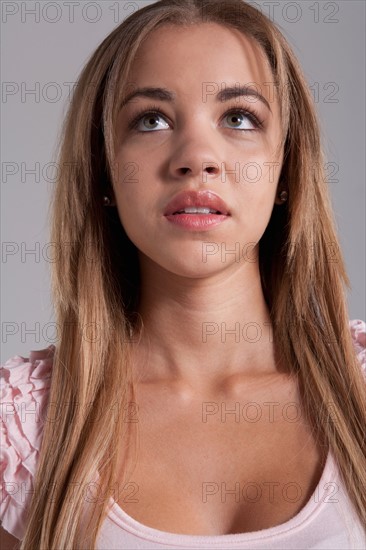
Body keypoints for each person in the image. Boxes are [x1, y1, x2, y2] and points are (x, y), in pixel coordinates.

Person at [1, 0, 365, 548]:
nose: (197, 157)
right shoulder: (21, 430)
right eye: (152, 120)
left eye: (239, 118)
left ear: (286, 167)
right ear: (104, 169)